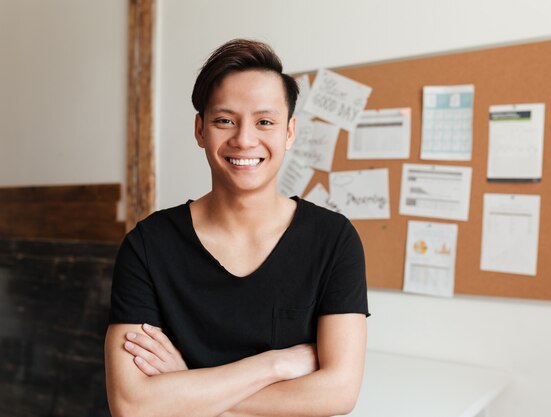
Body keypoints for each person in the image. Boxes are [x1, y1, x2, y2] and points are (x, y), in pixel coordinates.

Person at [104, 39, 369, 417]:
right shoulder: (147, 245)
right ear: (200, 130)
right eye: (224, 120)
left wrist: (186, 388)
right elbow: (132, 405)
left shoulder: (333, 239)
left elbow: (339, 393)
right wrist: (273, 365)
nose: (244, 139)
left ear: (290, 132)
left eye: (265, 121)